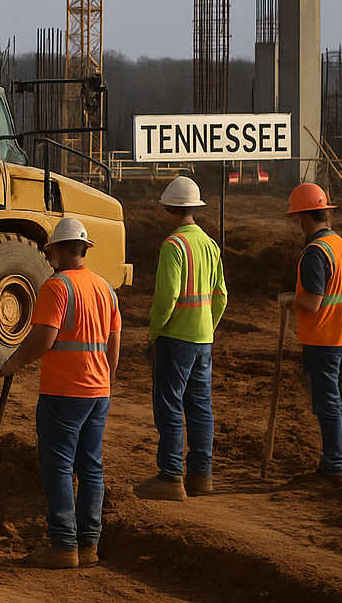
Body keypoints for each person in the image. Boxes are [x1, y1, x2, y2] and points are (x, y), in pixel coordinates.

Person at [0, 217, 122, 570]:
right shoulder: (105, 288)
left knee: (58, 467)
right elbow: (114, 343)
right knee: (91, 467)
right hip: (98, 392)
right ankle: (89, 545)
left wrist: (15, 361)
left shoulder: (57, 287)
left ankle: (63, 546)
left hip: (64, 392)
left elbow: (44, 337)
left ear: (58, 249)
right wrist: (106, 379)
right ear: (83, 248)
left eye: (49, 248)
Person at [136, 176, 227, 501]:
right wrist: (207, 327)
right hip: (203, 339)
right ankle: (201, 477)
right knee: (201, 407)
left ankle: (171, 477)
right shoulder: (209, 244)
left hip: (175, 338)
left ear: (170, 208)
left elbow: (167, 299)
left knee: (170, 406)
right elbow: (221, 296)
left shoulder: (173, 246)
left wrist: (154, 331)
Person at [278, 182, 342, 488]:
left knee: (328, 405)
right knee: (338, 403)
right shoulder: (341, 246)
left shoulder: (315, 252)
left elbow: (312, 302)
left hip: (324, 340)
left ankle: (334, 467)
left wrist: (289, 301)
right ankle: (338, 460)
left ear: (303, 216)